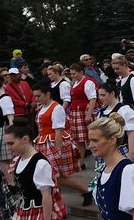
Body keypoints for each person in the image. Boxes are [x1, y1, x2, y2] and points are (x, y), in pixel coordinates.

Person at [33, 79, 92, 207]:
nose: (36, 99)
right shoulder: (42, 108)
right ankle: (59, 206)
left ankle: (85, 191)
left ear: (47, 94)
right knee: (50, 177)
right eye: (35, 96)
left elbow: (58, 131)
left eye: (39, 96)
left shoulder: (56, 108)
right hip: (44, 144)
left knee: (57, 177)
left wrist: (57, 151)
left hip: (54, 144)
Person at [66, 61, 99, 164]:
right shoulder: (75, 82)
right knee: (79, 139)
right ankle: (81, 162)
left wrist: (89, 115)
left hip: (85, 111)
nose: (72, 76)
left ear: (81, 72)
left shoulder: (88, 82)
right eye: (71, 74)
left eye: (74, 73)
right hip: (76, 112)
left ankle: (98, 159)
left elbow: (93, 98)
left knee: (91, 137)